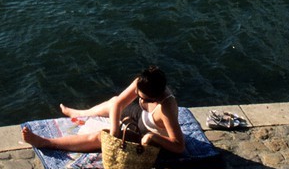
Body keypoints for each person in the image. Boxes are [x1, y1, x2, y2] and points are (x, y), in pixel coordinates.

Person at [21, 65, 186, 158]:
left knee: (101, 136)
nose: (141, 101)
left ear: (156, 97)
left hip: (150, 137)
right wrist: (115, 128)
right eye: (139, 97)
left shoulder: (166, 107)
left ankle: (46, 142)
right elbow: (118, 103)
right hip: (142, 119)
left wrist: (153, 137)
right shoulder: (142, 83)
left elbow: (179, 146)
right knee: (113, 101)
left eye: (146, 100)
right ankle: (79, 114)